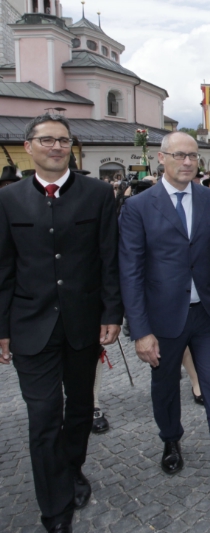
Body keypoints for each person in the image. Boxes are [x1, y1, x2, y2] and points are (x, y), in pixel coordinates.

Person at [118, 131, 210, 506]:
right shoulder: (138, 207)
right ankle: (170, 437)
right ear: (161, 158)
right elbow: (131, 272)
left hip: (208, 316)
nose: (187, 162)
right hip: (163, 319)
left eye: (193, 156)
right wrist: (141, 330)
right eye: (180, 155)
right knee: (165, 386)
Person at [0, 114, 123, 533]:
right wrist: (2, 328)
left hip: (83, 323)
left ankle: (72, 467)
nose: (56, 147)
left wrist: (112, 313)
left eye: (63, 140)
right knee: (43, 415)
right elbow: (3, 268)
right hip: (29, 325)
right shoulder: (8, 199)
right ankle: (55, 511)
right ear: (28, 147)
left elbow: (109, 258)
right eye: (47, 140)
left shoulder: (98, 194)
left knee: (81, 407)